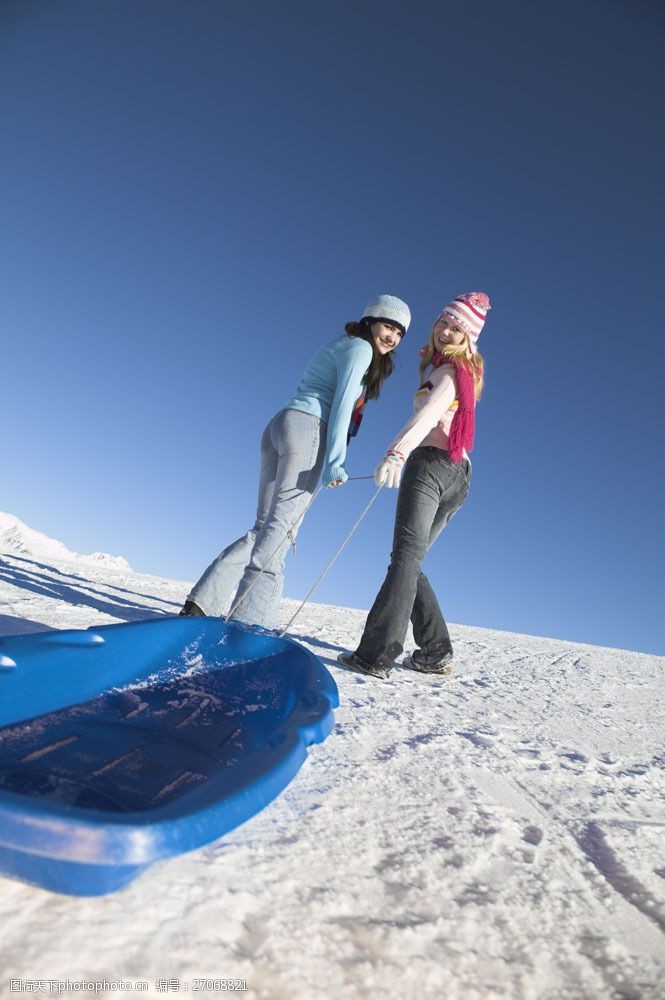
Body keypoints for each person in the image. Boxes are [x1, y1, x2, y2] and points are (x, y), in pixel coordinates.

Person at [180, 294, 411, 628]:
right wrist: (335, 459)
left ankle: (201, 604)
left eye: (400, 333)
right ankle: (248, 626)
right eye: (388, 326)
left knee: (264, 527)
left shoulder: (343, 344)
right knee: (281, 530)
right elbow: (343, 404)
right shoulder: (360, 349)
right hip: (308, 429)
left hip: (281, 425)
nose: (392, 337)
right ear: (370, 321)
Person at [338, 291, 491, 680]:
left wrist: (397, 453)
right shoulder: (462, 374)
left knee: (404, 560)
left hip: (431, 465)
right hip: (460, 474)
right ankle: (436, 651)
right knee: (412, 560)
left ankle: (375, 655)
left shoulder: (448, 373)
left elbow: (430, 417)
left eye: (457, 329)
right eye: (444, 322)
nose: (445, 332)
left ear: (469, 338)